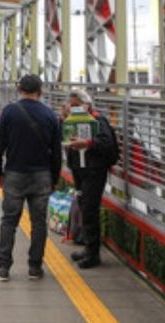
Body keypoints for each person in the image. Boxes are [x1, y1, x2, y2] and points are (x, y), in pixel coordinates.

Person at [0, 74, 61, 282]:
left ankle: (3, 268)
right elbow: (56, 153)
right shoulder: (50, 115)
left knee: (9, 221)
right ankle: (35, 267)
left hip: (14, 174)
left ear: (20, 89)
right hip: (41, 176)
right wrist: (54, 178)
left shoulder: (10, 112)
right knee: (39, 222)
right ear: (40, 91)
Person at [65, 89, 117, 269]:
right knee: (83, 205)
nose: (73, 109)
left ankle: (93, 253)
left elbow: (107, 143)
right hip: (79, 169)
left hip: (94, 170)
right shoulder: (70, 121)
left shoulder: (98, 120)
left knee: (89, 209)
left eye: (76, 106)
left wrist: (87, 143)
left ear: (86, 105)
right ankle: (88, 247)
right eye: (71, 106)